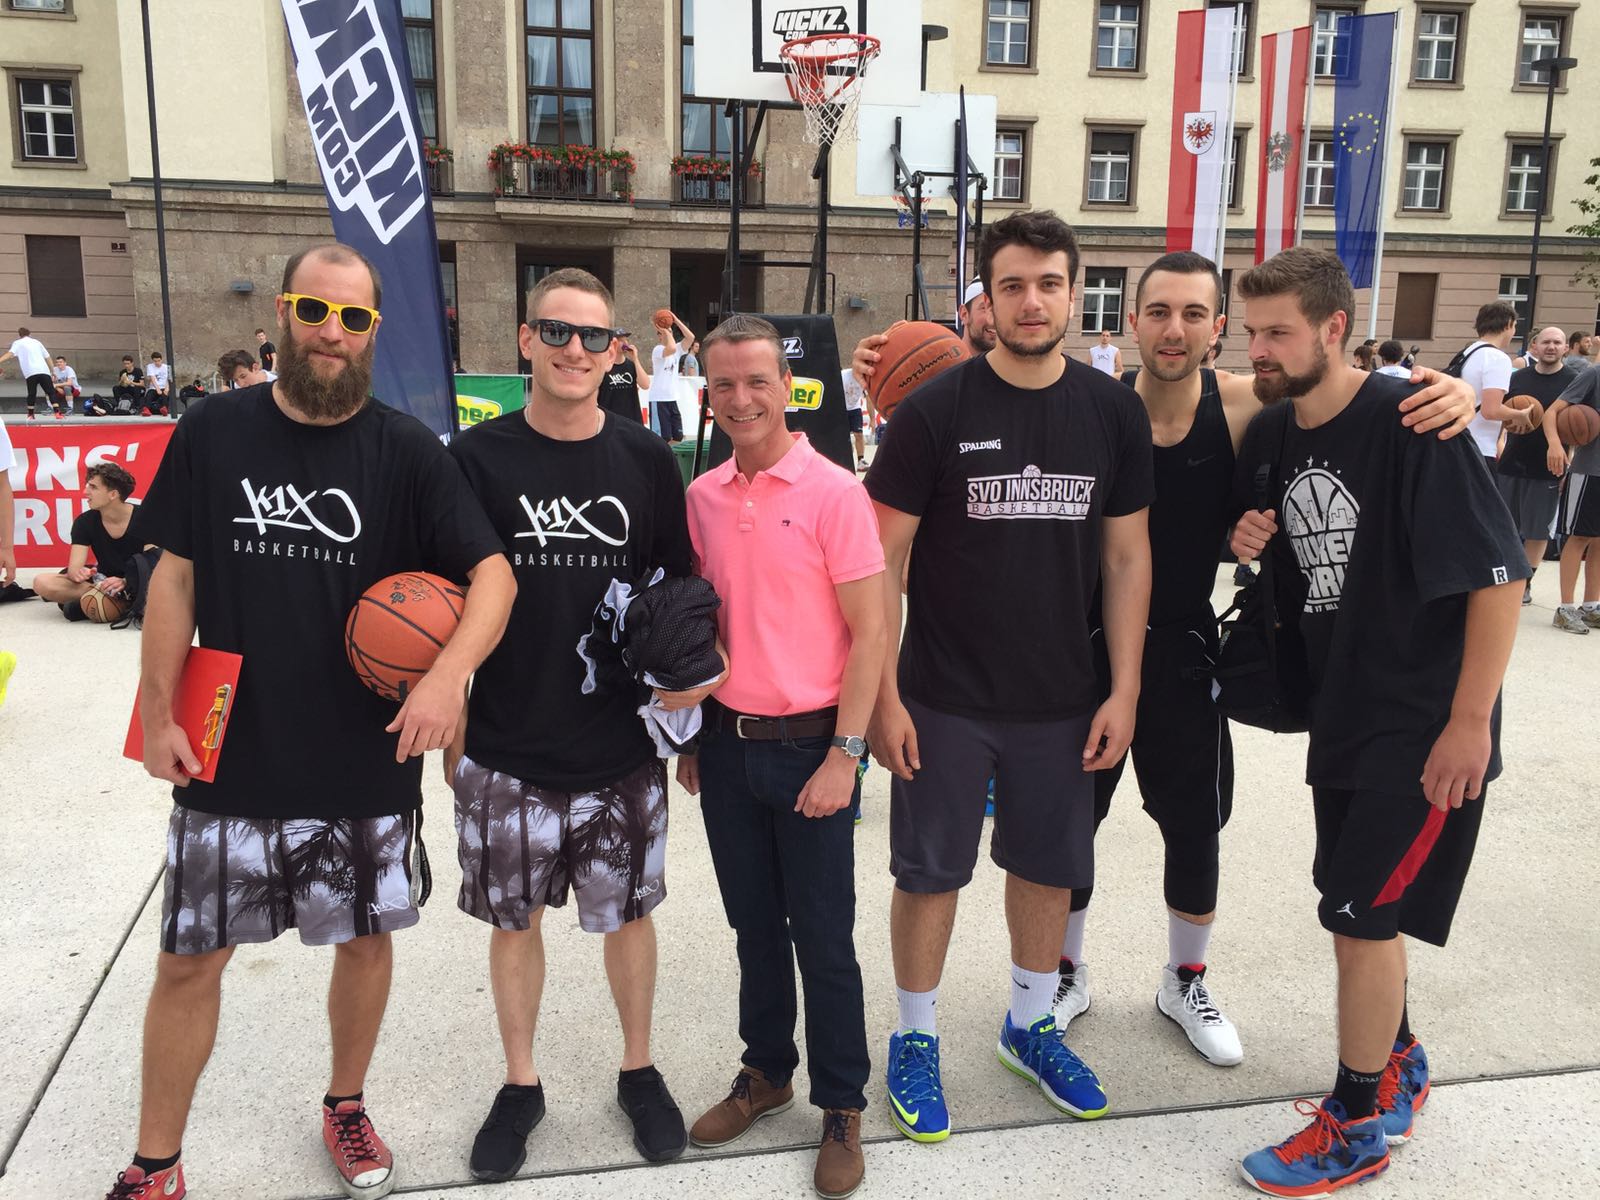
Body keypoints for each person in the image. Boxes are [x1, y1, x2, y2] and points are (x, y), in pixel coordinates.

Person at [102, 242, 516, 1200]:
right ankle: (155, 1164)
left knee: (363, 944)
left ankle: (345, 1105)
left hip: (363, 756)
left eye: (354, 318)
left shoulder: (407, 451)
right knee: (188, 962)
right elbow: (174, 579)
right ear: (284, 314)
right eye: (316, 311)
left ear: (374, 331)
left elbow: (493, 577)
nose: (334, 332)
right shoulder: (213, 429)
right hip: (230, 750)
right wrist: (158, 714)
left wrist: (447, 677)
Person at [1053, 252, 1477, 1066]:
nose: (1173, 329)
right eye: (1158, 311)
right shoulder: (1093, 408)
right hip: (1087, 650)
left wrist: (1448, 391)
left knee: (1195, 827)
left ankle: (1185, 982)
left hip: (1184, 647)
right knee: (1071, 823)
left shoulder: (1249, 403)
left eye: (1193, 314)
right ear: (1131, 320)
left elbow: (1348, 391)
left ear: (1218, 329)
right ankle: (1065, 972)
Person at [1228, 247, 1524, 1198]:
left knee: (1358, 915)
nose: (1260, 349)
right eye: (1252, 331)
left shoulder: (1415, 423)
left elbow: (1500, 578)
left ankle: (1355, 1123)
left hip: (1424, 722)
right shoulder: (1273, 431)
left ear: (1335, 328)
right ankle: (1400, 1059)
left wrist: (1470, 723)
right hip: (1343, 713)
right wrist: (1246, 537)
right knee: (1354, 902)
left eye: (1279, 332)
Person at [866, 210, 1154, 1141]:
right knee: (930, 872)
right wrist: (881, 696)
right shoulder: (934, 411)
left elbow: (1126, 559)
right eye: (1013, 286)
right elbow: (881, 564)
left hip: (1063, 696)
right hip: (942, 696)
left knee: (1047, 867)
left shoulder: (1111, 410)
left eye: (1050, 284)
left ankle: (1030, 1025)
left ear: (1076, 294)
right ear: (985, 301)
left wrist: (1125, 688)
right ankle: (915, 1036)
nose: (1033, 302)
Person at [446, 268, 695, 1181]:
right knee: (514, 923)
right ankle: (521, 1084)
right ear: (526, 339)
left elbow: (677, 592)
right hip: (505, 741)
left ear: (615, 350)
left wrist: (686, 709)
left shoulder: (645, 459)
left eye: (593, 337)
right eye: (556, 332)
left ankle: (639, 1069)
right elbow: (443, 597)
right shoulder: (475, 458)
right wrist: (453, 718)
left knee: (628, 916)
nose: (574, 351)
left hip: (618, 744)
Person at [678, 313, 886, 1200]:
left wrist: (847, 753)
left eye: (756, 381)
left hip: (812, 747)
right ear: (708, 393)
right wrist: (693, 738)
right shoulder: (702, 496)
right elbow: (702, 627)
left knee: (825, 937)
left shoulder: (835, 491)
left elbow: (872, 631)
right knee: (753, 928)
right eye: (724, 384)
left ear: (787, 387)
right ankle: (767, 1072)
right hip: (727, 747)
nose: (741, 399)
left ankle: (842, 1103)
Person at [1497, 328, 1577, 606]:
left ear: (1565, 348)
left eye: (1557, 342)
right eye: (1546, 342)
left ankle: (1526, 583)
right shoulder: (1518, 378)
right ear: (1534, 346)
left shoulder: (1574, 381)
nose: (1551, 347)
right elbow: (1501, 417)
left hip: (1549, 466)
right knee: (1505, 526)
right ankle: (1506, 577)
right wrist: (1499, 443)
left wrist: (1570, 465)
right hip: (1511, 462)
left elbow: (1578, 430)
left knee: (1537, 530)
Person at [31, 462, 149, 619]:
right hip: (102, 583)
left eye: (93, 487)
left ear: (113, 494)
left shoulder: (146, 519)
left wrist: (126, 581)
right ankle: (114, 603)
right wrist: (79, 574)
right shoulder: (84, 522)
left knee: (165, 586)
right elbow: (74, 569)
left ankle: (99, 604)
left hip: (138, 582)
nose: (85, 492)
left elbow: (153, 564)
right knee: (42, 582)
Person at [1542, 364, 1600, 633]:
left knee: (1599, 541)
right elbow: (1552, 412)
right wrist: (1555, 444)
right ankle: (1565, 608)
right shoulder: (1594, 374)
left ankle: (1590, 606)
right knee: (1578, 538)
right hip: (1589, 472)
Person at [1458, 302, 1524, 470]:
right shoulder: (1497, 358)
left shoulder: (1466, 353)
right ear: (1508, 324)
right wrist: (1519, 415)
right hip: (1478, 447)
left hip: (1457, 441)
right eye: (1515, 326)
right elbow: (1490, 411)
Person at [648, 312, 694, 444]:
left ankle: (671, 456)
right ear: (659, 335)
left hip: (672, 398)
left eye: (670, 332)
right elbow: (671, 348)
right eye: (666, 332)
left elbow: (691, 337)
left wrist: (675, 320)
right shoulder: (657, 350)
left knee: (678, 436)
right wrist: (666, 332)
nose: (669, 333)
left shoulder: (678, 349)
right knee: (663, 438)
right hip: (659, 399)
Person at [0, 326, 59, 419]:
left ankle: (31, 414)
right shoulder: (37, 342)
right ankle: (57, 413)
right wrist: (53, 371)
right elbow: (47, 357)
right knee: (50, 392)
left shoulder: (18, 343)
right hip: (44, 370)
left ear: (19, 335)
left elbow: (10, 354)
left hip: (31, 372)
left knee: (32, 393)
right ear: (29, 334)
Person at [599, 337, 648, 422]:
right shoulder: (604, 367)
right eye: (621, 340)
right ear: (613, 344)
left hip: (632, 419)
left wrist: (635, 359)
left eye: (626, 339)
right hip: (609, 419)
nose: (625, 343)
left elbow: (645, 385)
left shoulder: (632, 365)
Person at [144, 351, 172, 415]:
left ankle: (164, 409)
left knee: (165, 395)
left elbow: (168, 379)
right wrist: (157, 389)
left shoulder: (166, 367)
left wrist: (167, 388)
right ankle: (146, 409)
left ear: (161, 359)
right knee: (149, 394)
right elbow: (152, 378)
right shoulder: (150, 366)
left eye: (159, 361)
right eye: (155, 361)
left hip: (164, 386)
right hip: (154, 387)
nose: (157, 363)